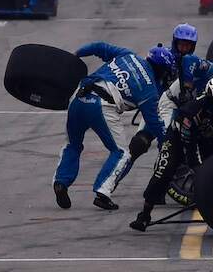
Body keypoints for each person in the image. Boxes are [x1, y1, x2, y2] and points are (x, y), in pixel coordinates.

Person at [129, 77, 213, 231]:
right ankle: (144, 214)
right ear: (209, 97)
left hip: (206, 136)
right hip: (178, 138)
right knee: (164, 171)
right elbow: (189, 144)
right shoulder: (193, 109)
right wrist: (197, 167)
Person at [53, 42, 169, 211]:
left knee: (73, 145)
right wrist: (168, 141)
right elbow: (155, 124)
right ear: (162, 70)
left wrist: (75, 54)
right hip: (101, 106)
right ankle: (103, 192)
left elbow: (99, 47)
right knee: (122, 152)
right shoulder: (150, 90)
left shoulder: (128, 54)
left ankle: (60, 182)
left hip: (78, 96)